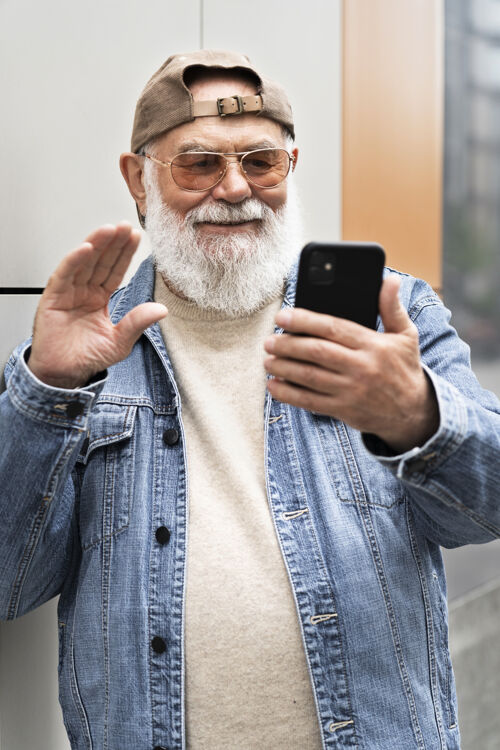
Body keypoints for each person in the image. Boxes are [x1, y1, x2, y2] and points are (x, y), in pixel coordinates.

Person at [0, 49, 499, 750]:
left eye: (260, 162)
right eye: (199, 164)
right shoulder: (84, 348)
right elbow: (8, 583)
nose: (234, 188)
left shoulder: (392, 318)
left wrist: (415, 414)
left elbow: (488, 509)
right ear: (137, 180)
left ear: (290, 168)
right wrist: (48, 392)